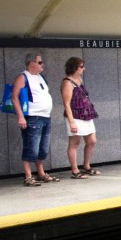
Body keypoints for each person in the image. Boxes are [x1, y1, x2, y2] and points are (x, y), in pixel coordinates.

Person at [12, 53, 56, 186]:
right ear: (32, 63)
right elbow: (15, 97)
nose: (43, 64)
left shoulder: (40, 77)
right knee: (31, 147)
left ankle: (41, 173)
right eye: (40, 62)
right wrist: (21, 117)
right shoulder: (23, 77)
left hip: (45, 117)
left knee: (43, 148)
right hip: (32, 117)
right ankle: (28, 176)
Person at [61, 57, 100, 178]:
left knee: (92, 140)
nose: (84, 69)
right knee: (75, 142)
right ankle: (75, 170)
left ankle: (86, 166)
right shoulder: (67, 82)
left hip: (86, 114)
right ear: (74, 68)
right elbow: (67, 103)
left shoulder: (79, 79)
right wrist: (72, 122)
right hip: (75, 115)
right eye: (81, 67)